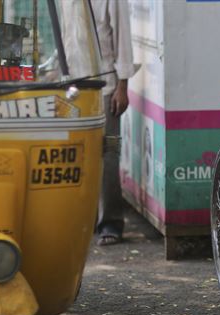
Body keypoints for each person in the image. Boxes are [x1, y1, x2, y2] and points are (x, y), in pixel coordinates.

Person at [91, 0, 137, 246]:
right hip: (74, 86)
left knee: (108, 154)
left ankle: (111, 221)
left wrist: (122, 86)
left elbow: (122, 40)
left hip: (107, 87)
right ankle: (87, 219)